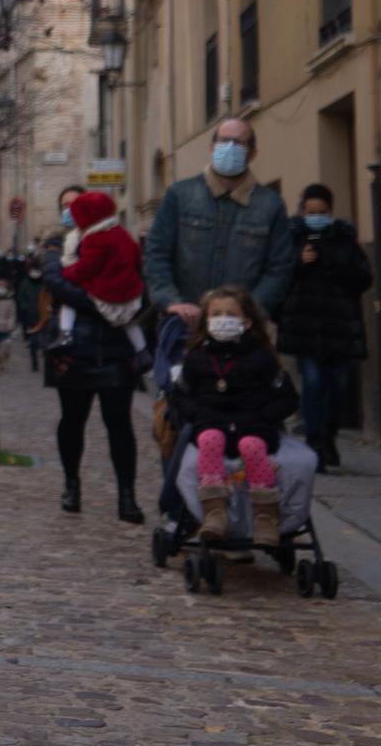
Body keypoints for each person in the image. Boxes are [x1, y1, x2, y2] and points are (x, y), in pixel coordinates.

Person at [41, 185, 143, 523]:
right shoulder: (56, 246)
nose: (70, 210)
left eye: (75, 204)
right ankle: (71, 484)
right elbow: (57, 282)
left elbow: (137, 282)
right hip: (74, 348)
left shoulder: (114, 238)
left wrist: (108, 299)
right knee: (72, 420)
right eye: (64, 205)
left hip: (114, 350)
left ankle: (127, 495)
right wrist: (106, 302)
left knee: (119, 424)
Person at [144, 116, 295, 328]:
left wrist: (251, 310)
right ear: (212, 147)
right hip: (185, 325)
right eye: (224, 141)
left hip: (243, 330)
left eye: (238, 143)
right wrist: (171, 302)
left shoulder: (270, 205)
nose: (229, 147)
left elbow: (280, 268)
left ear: (252, 154)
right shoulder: (180, 195)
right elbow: (156, 253)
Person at [173, 287, 295, 546]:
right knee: (209, 441)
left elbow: (287, 396)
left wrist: (265, 416)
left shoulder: (261, 357)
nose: (223, 318)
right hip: (211, 420)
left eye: (230, 314)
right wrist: (196, 414)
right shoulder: (197, 357)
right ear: (207, 321)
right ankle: (215, 512)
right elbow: (180, 394)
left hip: (253, 423)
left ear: (246, 322)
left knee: (251, 447)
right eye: (216, 314)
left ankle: (265, 517)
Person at [275, 184, 372, 472]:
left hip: (339, 327)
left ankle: (329, 435)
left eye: (322, 212)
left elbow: (363, 278)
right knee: (314, 384)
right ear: (303, 212)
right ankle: (314, 441)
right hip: (306, 328)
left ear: (331, 212)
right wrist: (299, 262)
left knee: (339, 387)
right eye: (311, 212)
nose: (316, 217)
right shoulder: (292, 240)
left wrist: (331, 261)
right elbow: (280, 277)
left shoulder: (345, 240)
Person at [57, 190, 147, 361]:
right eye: (64, 206)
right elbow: (137, 257)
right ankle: (142, 350)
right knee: (130, 321)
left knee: (68, 303)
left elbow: (86, 268)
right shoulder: (121, 232)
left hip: (106, 292)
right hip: (129, 291)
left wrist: (67, 272)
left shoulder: (93, 239)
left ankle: (65, 333)